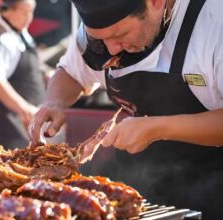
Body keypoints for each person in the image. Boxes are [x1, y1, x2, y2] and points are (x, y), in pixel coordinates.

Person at [29, 0, 223, 218]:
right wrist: (55, 101)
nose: (111, 48)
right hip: (141, 174)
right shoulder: (101, 33)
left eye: (120, 35)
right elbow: (71, 73)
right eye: (101, 39)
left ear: (155, 3)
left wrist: (157, 128)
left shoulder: (215, 24)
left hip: (212, 181)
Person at [0, 0, 46, 149]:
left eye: (31, 12)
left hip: (22, 124)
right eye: (23, 12)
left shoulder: (20, 33)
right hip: (4, 125)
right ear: (6, 10)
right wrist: (25, 109)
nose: (28, 17)